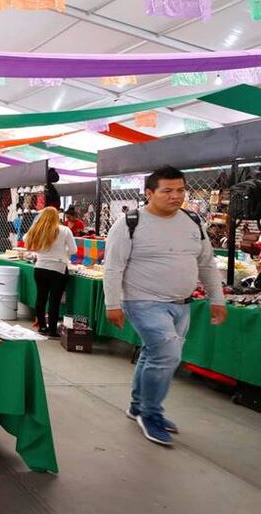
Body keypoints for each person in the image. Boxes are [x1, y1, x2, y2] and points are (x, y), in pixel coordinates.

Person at [103, 166, 226, 447]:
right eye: (167, 191)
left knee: (153, 353)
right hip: (142, 301)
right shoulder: (129, 223)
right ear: (149, 193)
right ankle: (151, 414)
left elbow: (206, 263)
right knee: (167, 355)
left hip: (182, 304)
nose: (176, 196)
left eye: (180, 190)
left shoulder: (194, 222)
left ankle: (137, 406)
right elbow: (112, 268)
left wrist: (217, 299)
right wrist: (112, 304)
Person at [24, 206, 78, 337]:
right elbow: (74, 250)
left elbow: (26, 239)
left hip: (40, 267)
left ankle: (42, 326)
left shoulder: (36, 230)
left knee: (41, 298)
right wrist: (62, 251)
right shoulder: (64, 230)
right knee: (54, 300)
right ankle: (53, 330)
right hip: (58, 269)